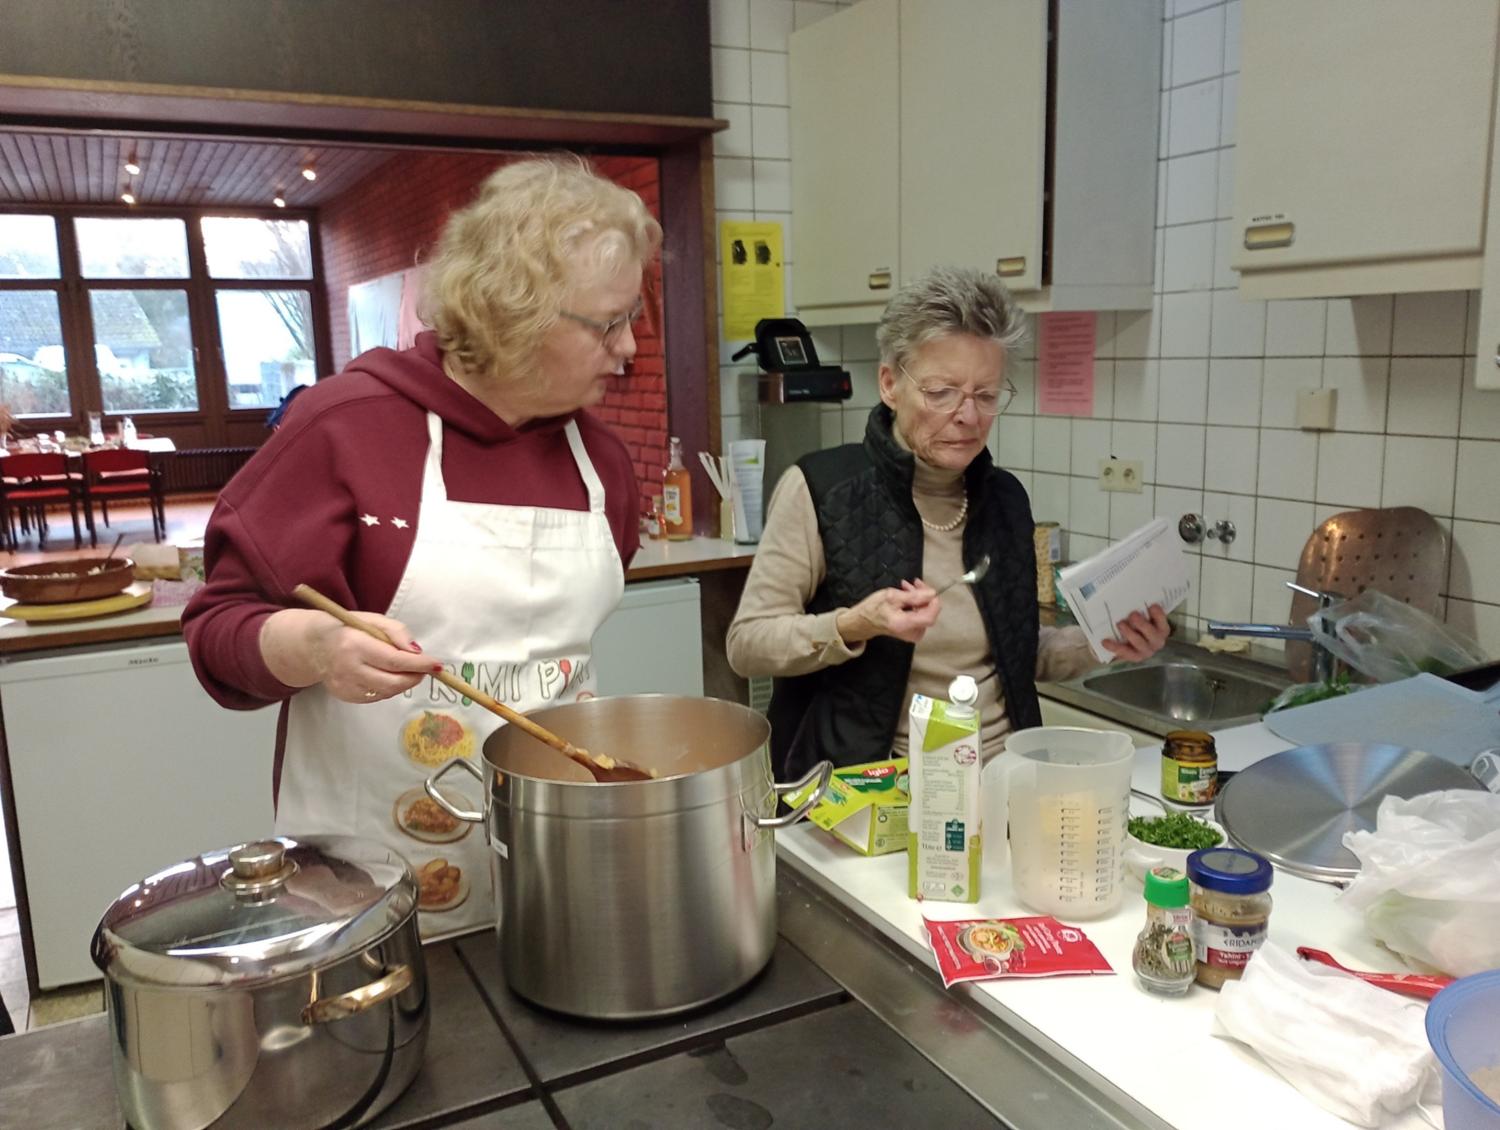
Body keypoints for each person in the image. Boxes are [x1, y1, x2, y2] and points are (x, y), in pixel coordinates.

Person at [184, 155, 659, 938]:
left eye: (631, 316)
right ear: (517, 314)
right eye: (608, 323)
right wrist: (315, 646)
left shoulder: (599, 461)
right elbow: (217, 629)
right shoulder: (346, 427)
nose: (631, 348)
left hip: (552, 854)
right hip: (372, 867)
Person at [726, 266, 1169, 777]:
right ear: (890, 384)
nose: (967, 415)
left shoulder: (1004, 500)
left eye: (985, 395)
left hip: (1006, 781)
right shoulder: (824, 490)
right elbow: (747, 645)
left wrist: (1103, 642)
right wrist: (853, 623)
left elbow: (1018, 653)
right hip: (877, 791)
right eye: (941, 392)